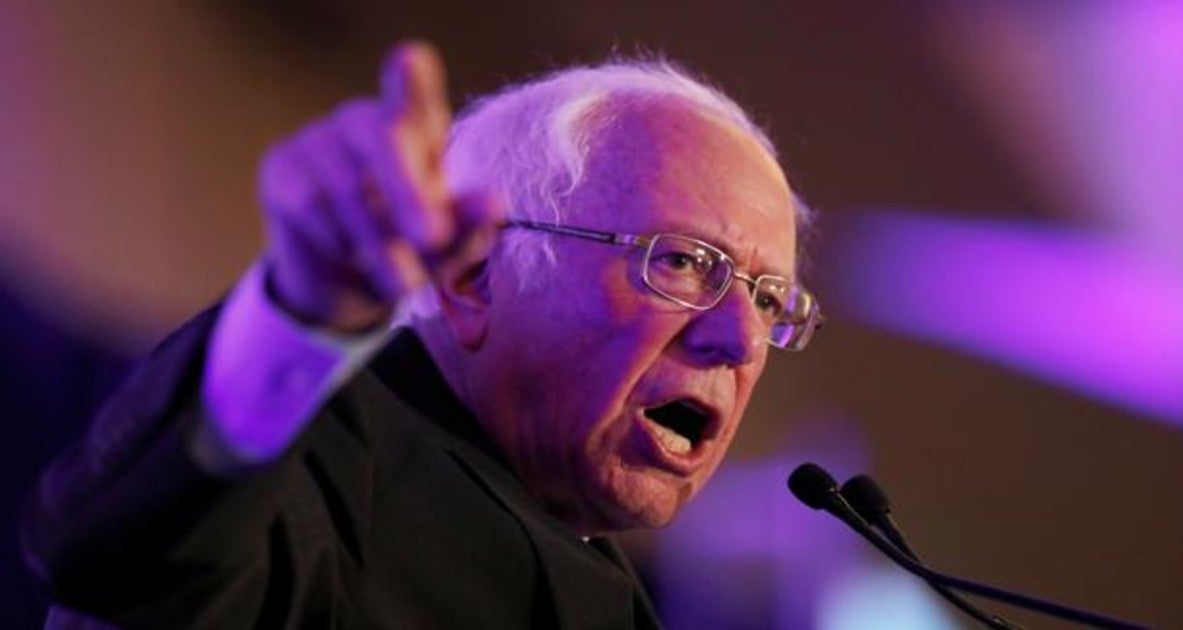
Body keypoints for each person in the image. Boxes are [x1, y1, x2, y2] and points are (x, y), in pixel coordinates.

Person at [23, 41, 820, 628]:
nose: (740, 340)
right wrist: (299, 316)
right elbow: (126, 566)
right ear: (475, 277)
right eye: (683, 262)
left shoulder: (622, 600)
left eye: (768, 298)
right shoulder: (321, 447)